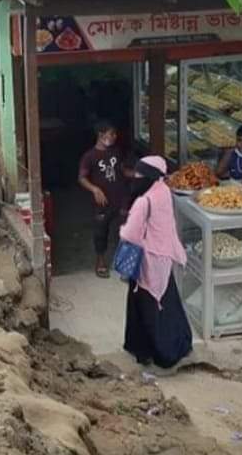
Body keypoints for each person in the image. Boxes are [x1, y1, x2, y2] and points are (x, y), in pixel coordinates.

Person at [120, 156, 193, 369]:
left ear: (150, 176)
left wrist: (122, 230)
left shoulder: (144, 201)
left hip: (146, 261)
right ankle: (179, 343)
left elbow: (130, 235)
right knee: (167, 299)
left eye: (140, 174)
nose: (136, 177)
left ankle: (160, 352)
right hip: (165, 257)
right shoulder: (164, 192)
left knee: (149, 305)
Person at [79, 122, 136, 278]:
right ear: (101, 135)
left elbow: (122, 171)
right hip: (103, 201)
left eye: (115, 134)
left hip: (121, 196)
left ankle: (125, 265)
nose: (114, 137)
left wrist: (138, 174)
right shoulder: (90, 156)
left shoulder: (116, 152)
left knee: (126, 229)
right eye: (112, 134)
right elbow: (82, 178)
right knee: (101, 230)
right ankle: (100, 261)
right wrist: (95, 189)